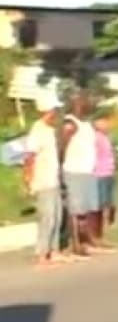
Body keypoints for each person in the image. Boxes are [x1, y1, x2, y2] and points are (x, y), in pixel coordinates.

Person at [62, 97, 113, 255]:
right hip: (74, 171)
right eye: (80, 104)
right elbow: (61, 146)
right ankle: (75, 245)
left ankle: (88, 241)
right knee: (75, 211)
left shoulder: (86, 125)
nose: (84, 106)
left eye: (85, 104)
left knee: (86, 210)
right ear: (73, 107)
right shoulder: (70, 124)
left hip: (87, 171)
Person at [24, 93, 66, 269]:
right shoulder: (37, 130)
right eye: (53, 110)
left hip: (53, 177)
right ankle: (42, 255)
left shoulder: (50, 130)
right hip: (43, 179)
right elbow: (30, 156)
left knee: (57, 216)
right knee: (47, 217)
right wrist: (29, 177)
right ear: (46, 111)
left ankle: (54, 251)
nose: (55, 114)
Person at [92, 114, 118, 243]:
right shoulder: (95, 138)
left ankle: (104, 232)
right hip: (99, 174)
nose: (106, 125)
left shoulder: (109, 137)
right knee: (100, 204)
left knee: (109, 204)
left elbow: (113, 153)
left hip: (110, 172)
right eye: (103, 122)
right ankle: (97, 234)